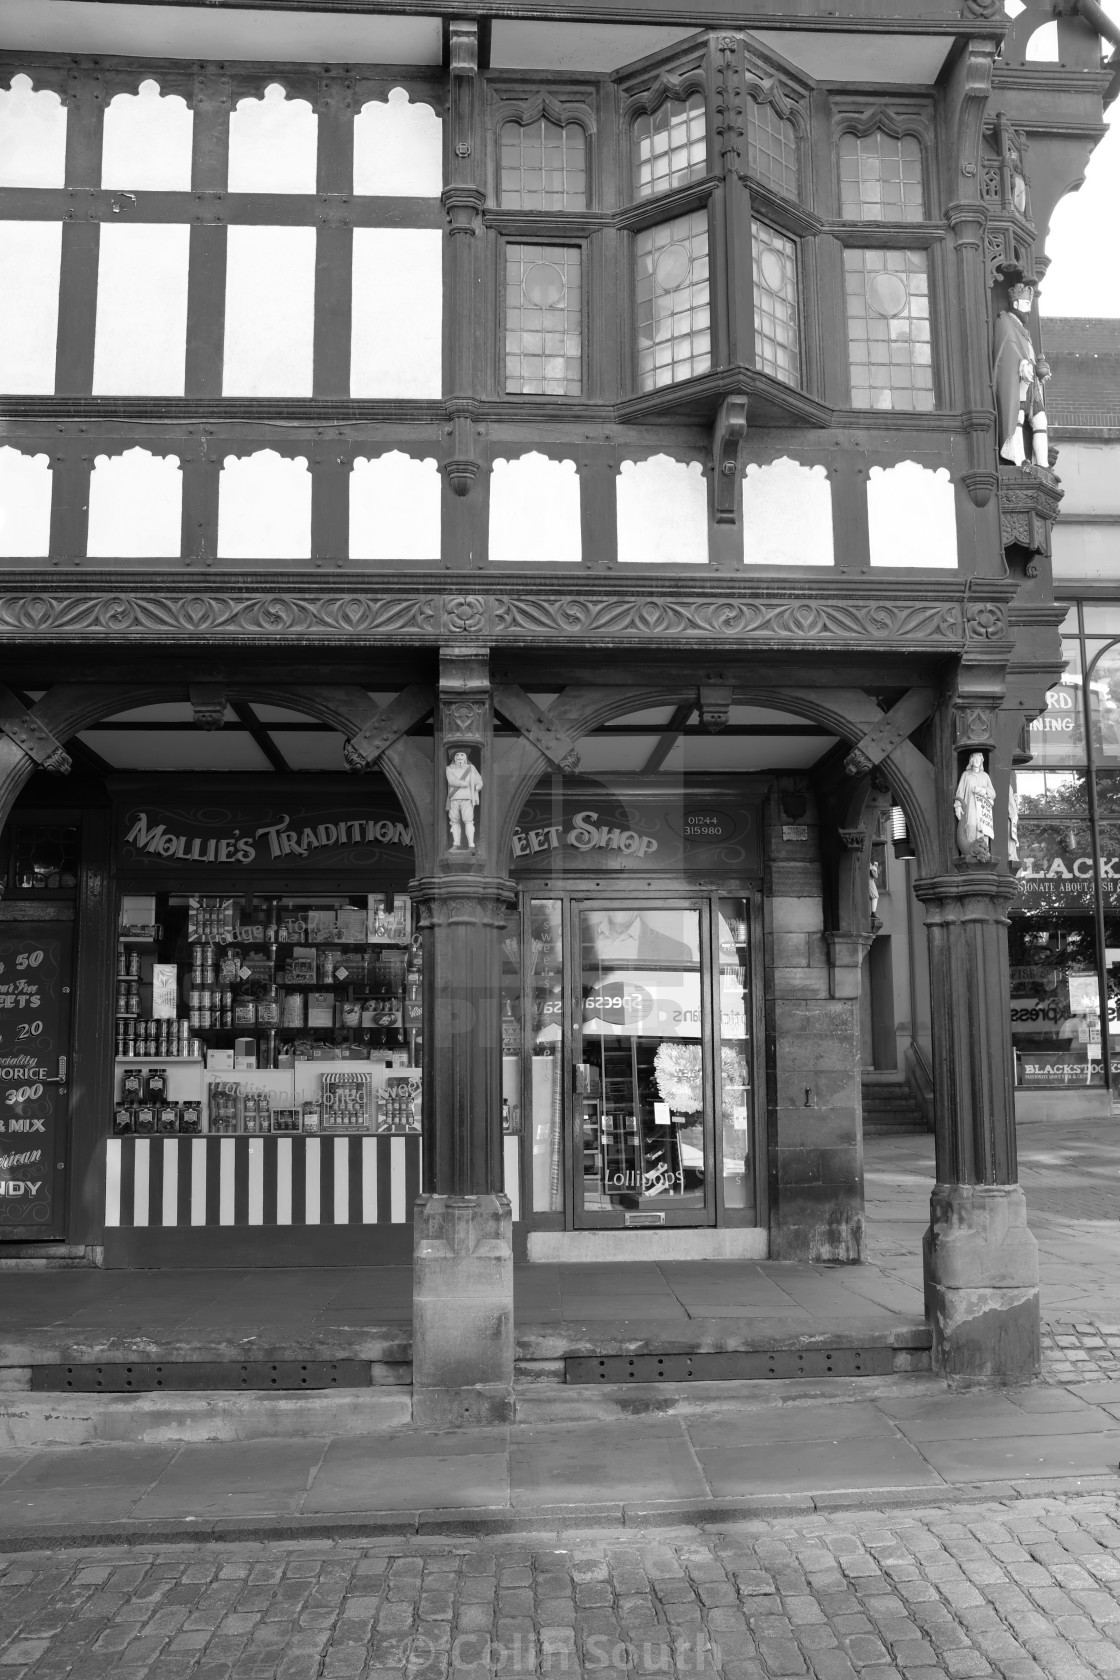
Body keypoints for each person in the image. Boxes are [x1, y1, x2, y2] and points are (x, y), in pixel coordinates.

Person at [992, 280, 1051, 470]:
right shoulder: (1005, 321)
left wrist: (1040, 372)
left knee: (1040, 419)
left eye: (1029, 306)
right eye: (1025, 305)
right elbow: (1007, 348)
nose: (1028, 311)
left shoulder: (1024, 331)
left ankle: (1042, 463)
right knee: (1017, 415)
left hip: (1031, 381)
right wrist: (1022, 363)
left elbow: (1028, 354)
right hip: (1017, 379)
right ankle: (1018, 457)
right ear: (1015, 304)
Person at [954, 751, 997, 863]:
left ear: (982, 761)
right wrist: (958, 806)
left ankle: (984, 853)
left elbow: (993, 793)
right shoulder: (966, 775)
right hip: (970, 808)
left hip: (982, 810)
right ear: (971, 761)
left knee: (982, 828)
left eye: (979, 759)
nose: (977, 761)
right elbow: (960, 792)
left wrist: (984, 790)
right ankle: (970, 853)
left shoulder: (985, 776)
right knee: (971, 826)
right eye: (975, 759)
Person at [445, 749, 483, 849]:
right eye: (457, 755)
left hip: (467, 798)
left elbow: (479, 779)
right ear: (454, 757)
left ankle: (471, 844)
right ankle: (456, 844)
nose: (459, 757)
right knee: (454, 821)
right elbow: (452, 781)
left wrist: (478, 785)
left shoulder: (471, 768)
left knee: (469, 821)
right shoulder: (449, 768)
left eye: (462, 754)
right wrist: (465, 784)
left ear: (465, 757)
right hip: (454, 798)